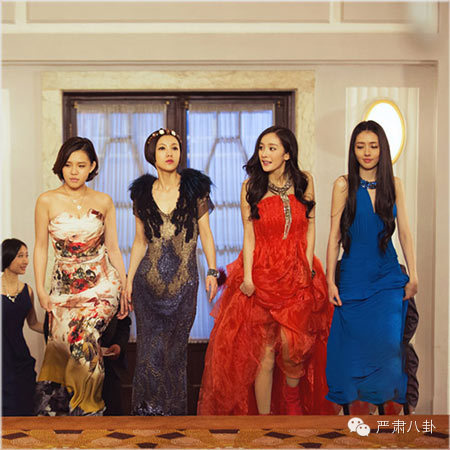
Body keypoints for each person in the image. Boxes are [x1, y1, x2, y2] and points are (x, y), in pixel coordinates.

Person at [198, 126, 335, 415]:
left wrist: (307, 264)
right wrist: (248, 277)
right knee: (265, 352)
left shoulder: (305, 181)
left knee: (294, 345)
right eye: (261, 147)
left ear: (287, 153)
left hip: (298, 270)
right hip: (262, 272)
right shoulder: (250, 187)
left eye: (272, 148)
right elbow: (249, 236)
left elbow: (310, 225)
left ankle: (292, 402)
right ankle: (264, 419)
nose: (264, 153)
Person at [325, 120, 418, 415]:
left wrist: (413, 273)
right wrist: (330, 281)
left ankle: (387, 426)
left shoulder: (395, 185)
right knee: (355, 356)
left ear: (382, 149)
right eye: (360, 146)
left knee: (387, 352)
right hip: (353, 279)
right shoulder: (343, 185)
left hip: (388, 278)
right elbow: (334, 237)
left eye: (373, 146)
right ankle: (358, 428)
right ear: (353, 150)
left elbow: (405, 233)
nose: (367, 152)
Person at [127, 128, 218, 416]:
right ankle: (145, 417)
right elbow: (139, 241)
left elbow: (206, 234)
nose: (169, 153)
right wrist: (128, 281)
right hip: (147, 286)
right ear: (152, 155)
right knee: (147, 353)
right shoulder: (141, 194)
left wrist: (212, 271)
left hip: (184, 285)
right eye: (163, 148)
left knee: (175, 353)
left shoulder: (195, 190)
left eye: (174, 148)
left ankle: (174, 419)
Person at [34, 136, 127, 416]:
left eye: (81, 165)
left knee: (83, 339)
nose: (74, 171)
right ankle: (60, 411)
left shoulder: (104, 201)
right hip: (63, 288)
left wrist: (124, 288)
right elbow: (40, 248)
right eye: (68, 165)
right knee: (59, 346)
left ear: (92, 167)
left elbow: (113, 248)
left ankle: (89, 410)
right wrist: (41, 290)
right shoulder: (46, 201)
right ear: (61, 166)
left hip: (102, 284)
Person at [2, 238, 44, 416]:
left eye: (26, 255)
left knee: (25, 407)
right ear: (7, 256)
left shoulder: (28, 290)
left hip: (21, 358)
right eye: (20, 256)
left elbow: (33, 323)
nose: (26, 261)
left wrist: (60, 329)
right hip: (2, 359)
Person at [100, 314, 132, 415]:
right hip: (69, 369)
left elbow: (123, 324)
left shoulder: (119, 305)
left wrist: (118, 344)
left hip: (108, 369)